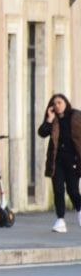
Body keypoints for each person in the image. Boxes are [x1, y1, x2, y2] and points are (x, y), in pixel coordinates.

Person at [38, 93, 81, 233]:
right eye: (54, 103)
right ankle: (60, 220)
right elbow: (42, 133)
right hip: (57, 162)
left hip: (74, 160)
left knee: (72, 190)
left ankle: (80, 211)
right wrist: (49, 119)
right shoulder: (53, 120)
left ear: (65, 103)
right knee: (58, 190)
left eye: (59, 102)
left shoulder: (76, 116)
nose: (57, 105)